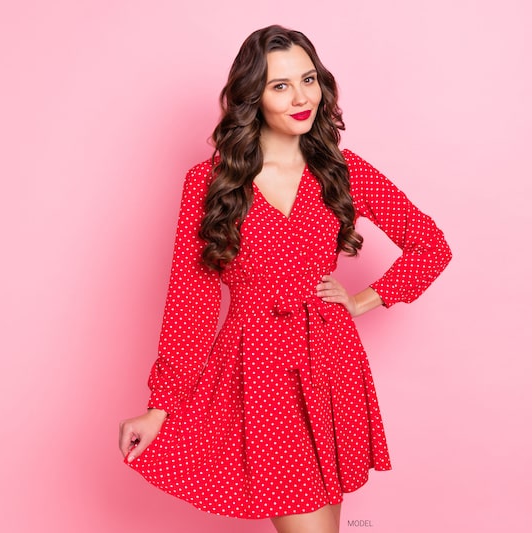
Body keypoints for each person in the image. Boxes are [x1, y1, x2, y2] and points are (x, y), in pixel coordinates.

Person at [118, 24, 452, 533]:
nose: (302, 98)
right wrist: (159, 407)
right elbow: (191, 303)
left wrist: (365, 300)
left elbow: (432, 245)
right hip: (257, 373)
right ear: (253, 97)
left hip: (330, 362)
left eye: (309, 79)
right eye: (281, 86)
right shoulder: (209, 184)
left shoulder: (344, 171)